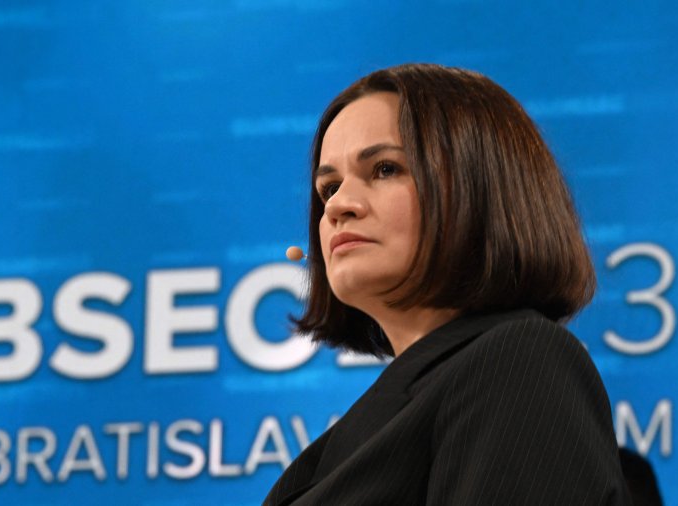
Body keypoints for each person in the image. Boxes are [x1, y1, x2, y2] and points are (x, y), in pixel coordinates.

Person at [265, 64, 631, 505]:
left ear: (479, 186)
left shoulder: (519, 361)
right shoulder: (356, 436)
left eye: (384, 169)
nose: (339, 205)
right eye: (328, 188)